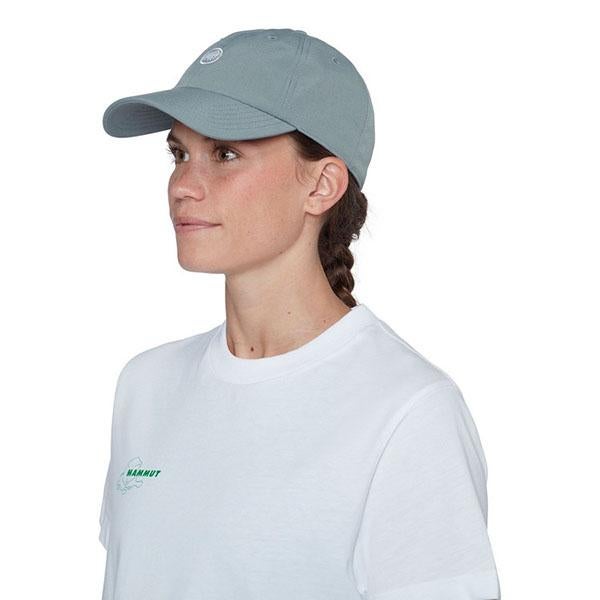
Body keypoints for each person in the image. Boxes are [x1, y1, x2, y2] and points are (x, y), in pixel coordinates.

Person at [98, 28, 501, 600]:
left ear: (322, 185)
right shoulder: (146, 385)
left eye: (226, 153)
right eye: (179, 153)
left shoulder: (408, 413)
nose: (183, 186)